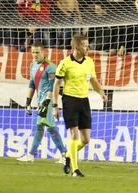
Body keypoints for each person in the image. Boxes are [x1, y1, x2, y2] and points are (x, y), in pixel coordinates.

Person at [53, 34, 107, 177]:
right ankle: (75, 170)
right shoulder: (65, 63)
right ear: (76, 46)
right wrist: (55, 106)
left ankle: (69, 156)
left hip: (84, 101)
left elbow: (93, 81)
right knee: (74, 133)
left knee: (86, 139)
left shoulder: (89, 62)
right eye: (84, 45)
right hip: (69, 100)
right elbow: (56, 84)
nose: (87, 47)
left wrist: (101, 91)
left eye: (87, 45)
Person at [17, 41, 67, 162]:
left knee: (45, 126)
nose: (35, 55)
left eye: (37, 52)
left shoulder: (50, 67)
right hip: (40, 101)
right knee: (45, 127)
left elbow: (52, 87)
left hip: (48, 101)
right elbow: (32, 84)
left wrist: (46, 102)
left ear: (43, 52)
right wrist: (28, 102)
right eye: (33, 52)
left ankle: (32, 155)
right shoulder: (33, 65)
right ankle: (64, 155)